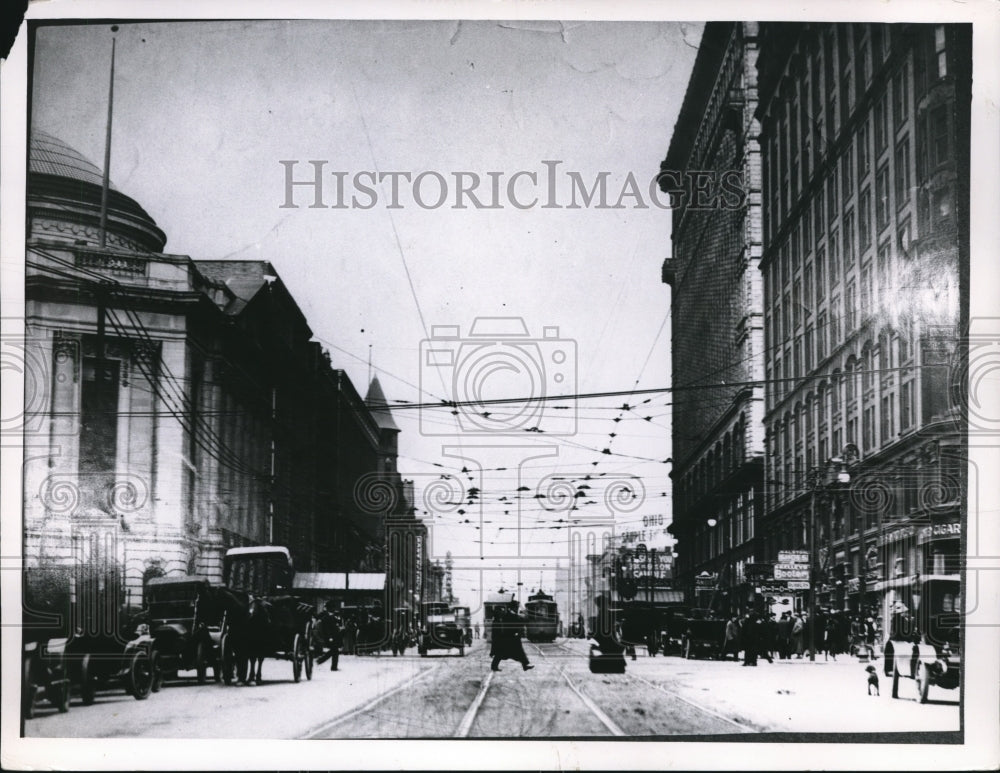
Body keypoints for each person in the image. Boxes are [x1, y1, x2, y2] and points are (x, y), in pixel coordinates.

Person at [490, 602, 533, 672]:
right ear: (513, 607)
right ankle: (525, 665)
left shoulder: (510, 614)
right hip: (510, 638)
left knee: (506, 653)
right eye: (516, 607)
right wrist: (526, 617)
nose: (517, 609)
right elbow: (519, 620)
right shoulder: (509, 615)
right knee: (504, 653)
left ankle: (525, 665)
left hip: (511, 637)